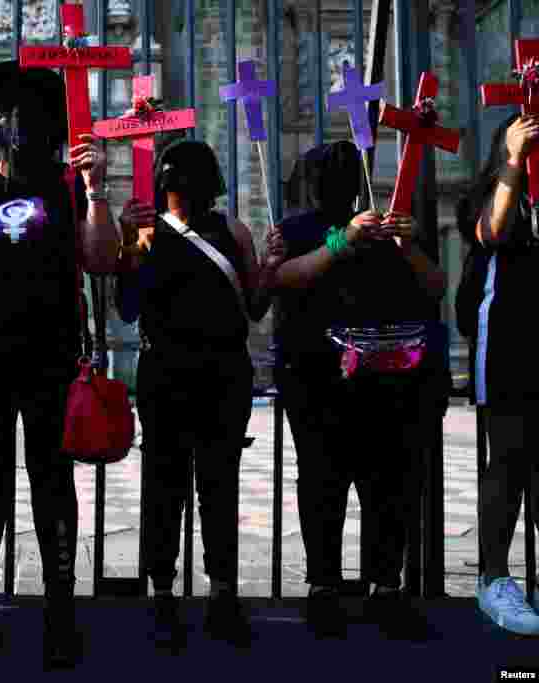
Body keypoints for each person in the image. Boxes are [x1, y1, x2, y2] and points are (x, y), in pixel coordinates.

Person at [0, 60, 120, 670]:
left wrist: (95, 192)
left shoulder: (67, 187)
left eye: (29, 119)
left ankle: (60, 614)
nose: (17, 130)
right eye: (5, 120)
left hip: (50, 354)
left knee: (51, 484)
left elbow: (99, 260)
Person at [114, 139, 285, 650]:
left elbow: (255, 305)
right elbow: (126, 306)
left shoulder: (231, 231)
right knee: (163, 487)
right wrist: (129, 245)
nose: (183, 195)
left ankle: (222, 592)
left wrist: (272, 267)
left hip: (220, 374)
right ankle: (162, 591)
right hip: (165, 372)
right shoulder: (146, 234)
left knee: (218, 487)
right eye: (177, 186)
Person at [273, 140, 445, 641]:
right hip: (317, 382)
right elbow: (284, 279)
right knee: (322, 485)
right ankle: (324, 586)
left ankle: (386, 587)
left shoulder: (394, 225)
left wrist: (406, 245)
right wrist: (340, 240)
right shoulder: (299, 229)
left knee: (387, 488)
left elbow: (435, 286)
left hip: (390, 384)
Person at [458, 112, 539, 634]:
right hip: (511, 344)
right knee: (508, 460)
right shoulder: (491, 191)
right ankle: (494, 579)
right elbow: (492, 229)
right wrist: (515, 161)